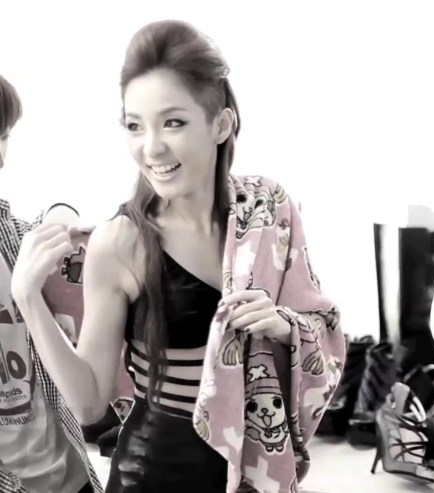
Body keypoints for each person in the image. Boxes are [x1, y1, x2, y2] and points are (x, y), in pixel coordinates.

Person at [10, 20, 346, 492]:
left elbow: (322, 325)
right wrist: (28, 297)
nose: (151, 147)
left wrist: (284, 325)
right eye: (134, 126)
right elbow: (89, 403)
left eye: (173, 122)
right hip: (155, 472)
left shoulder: (268, 209)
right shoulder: (121, 242)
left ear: (221, 124)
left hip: (256, 469)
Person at [0, 74, 101, 492]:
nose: (1, 157)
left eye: (3, 137)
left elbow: (60, 214)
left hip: (73, 478)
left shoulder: (10, 237)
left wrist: (61, 219)